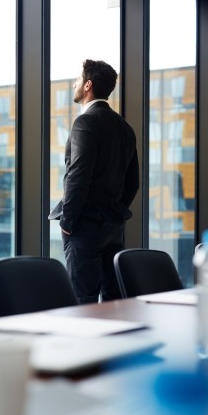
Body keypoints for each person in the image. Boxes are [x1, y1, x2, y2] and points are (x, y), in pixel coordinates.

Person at [49, 59, 139, 304]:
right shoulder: (125, 128)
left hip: (85, 227)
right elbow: (133, 183)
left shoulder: (85, 122)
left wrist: (67, 221)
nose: (75, 85)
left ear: (88, 85)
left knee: (83, 299)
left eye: (78, 80)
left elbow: (78, 175)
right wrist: (114, 211)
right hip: (113, 228)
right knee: (112, 301)